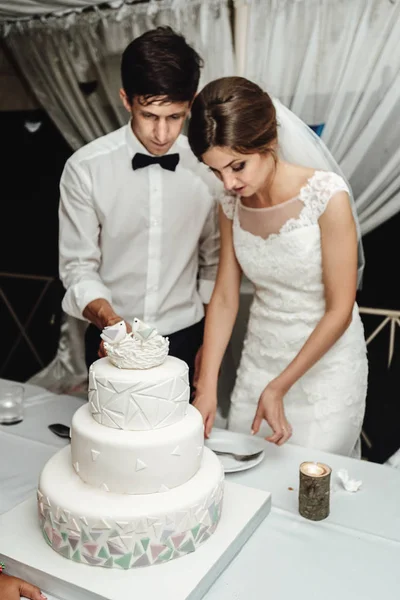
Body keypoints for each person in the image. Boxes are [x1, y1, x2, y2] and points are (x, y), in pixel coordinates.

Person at [188, 76, 368, 456]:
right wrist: (205, 388)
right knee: (247, 475)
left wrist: (280, 386)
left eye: (237, 166)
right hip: (261, 359)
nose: (229, 182)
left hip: (326, 366)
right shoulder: (230, 203)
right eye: (216, 171)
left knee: (309, 484)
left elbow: (341, 309)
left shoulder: (326, 196)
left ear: (268, 141)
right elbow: (223, 298)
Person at [59, 27, 221, 395]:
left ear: (191, 103)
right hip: (109, 336)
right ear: (126, 100)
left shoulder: (207, 169)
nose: (162, 134)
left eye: (175, 117)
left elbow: (213, 265)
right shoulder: (85, 168)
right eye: (150, 115)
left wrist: (208, 349)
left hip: (186, 337)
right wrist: (111, 324)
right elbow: (78, 267)